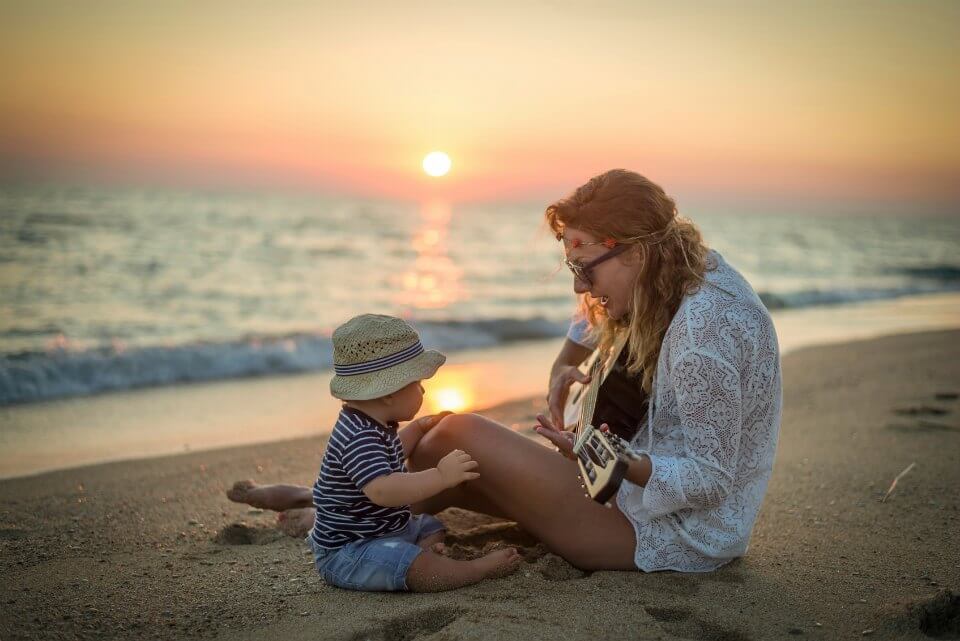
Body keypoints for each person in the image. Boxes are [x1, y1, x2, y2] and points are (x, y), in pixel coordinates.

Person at [230, 169, 782, 573]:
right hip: (626, 494)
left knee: (456, 433)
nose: (579, 286)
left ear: (634, 251)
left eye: (584, 268)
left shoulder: (705, 332)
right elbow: (590, 319)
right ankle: (340, 503)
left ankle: (336, 511)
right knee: (441, 445)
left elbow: (711, 481)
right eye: (571, 266)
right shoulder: (674, 265)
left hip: (668, 531)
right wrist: (566, 371)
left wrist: (608, 457)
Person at [256, 313, 522, 592]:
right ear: (389, 393)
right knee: (413, 567)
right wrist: (441, 476)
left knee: (431, 526)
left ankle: (423, 553)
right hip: (351, 550)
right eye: (417, 384)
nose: (423, 390)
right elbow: (383, 490)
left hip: (385, 529)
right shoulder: (358, 436)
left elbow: (390, 454)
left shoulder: (372, 423)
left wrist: (419, 427)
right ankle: (472, 570)